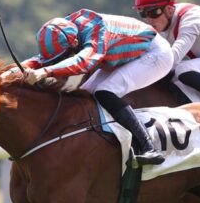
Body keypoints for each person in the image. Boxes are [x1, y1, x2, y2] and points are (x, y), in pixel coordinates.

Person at [21, 10, 174, 165]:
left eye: (64, 57)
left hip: (154, 53)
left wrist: (45, 71)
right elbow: (40, 60)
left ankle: (149, 148)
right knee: (83, 95)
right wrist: (13, 71)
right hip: (128, 55)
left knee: (104, 92)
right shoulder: (69, 32)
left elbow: (82, 62)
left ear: (74, 43)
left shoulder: (96, 33)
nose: (62, 61)